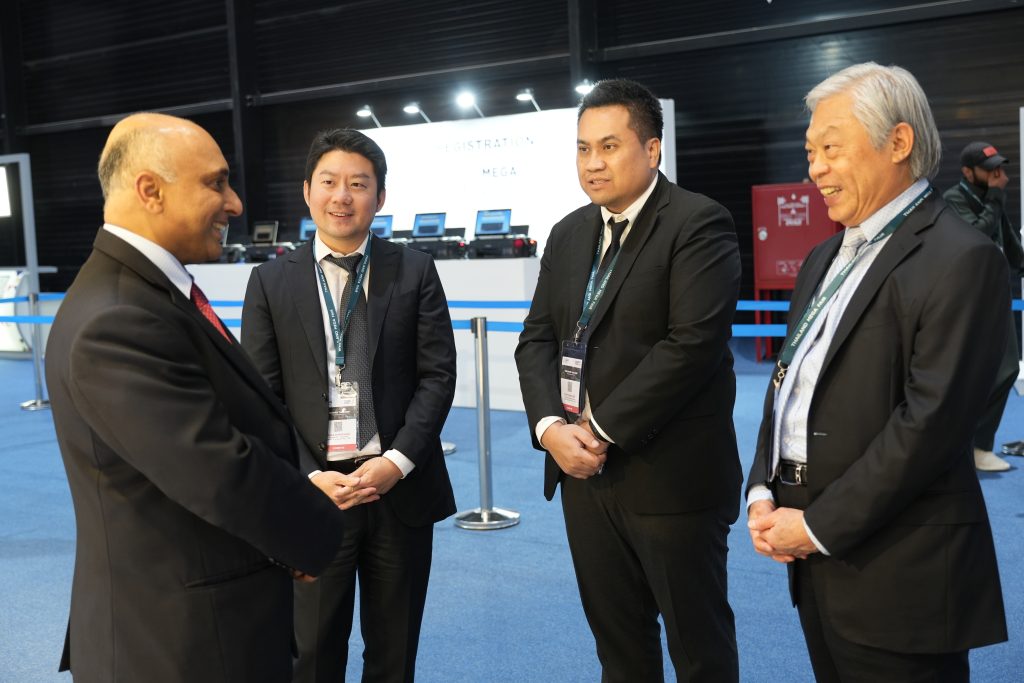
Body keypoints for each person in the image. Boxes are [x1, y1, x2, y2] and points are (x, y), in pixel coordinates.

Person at [45, 113, 347, 682]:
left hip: (202, 623)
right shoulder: (117, 319)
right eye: (216, 183)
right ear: (150, 191)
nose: (235, 204)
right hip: (179, 644)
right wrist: (313, 530)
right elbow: (217, 469)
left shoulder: (144, 294)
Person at [746, 63, 1008, 682]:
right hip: (811, 553)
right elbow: (790, 382)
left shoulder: (961, 257)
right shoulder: (823, 257)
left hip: (901, 568)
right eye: (810, 152)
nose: (815, 169)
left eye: (831, 148)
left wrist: (816, 526)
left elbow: (931, 424)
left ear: (898, 142)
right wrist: (762, 488)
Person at [515, 79, 741, 683]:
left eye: (609, 146)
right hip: (583, 476)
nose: (593, 163)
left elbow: (691, 346)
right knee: (619, 649)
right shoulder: (568, 233)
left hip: (670, 477)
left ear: (652, 148)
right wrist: (550, 429)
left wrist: (598, 429)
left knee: (699, 651)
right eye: (583, 148)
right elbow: (536, 339)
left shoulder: (697, 222)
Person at [241, 128, 457, 683]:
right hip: (314, 494)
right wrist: (308, 475)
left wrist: (396, 462)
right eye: (330, 182)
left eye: (358, 185)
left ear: (379, 197)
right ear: (307, 191)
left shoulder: (414, 270)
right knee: (312, 655)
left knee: (394, 654)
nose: (342, 196)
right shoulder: (269, 281)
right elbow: (262, 396)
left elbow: (437, 377)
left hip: (398, 491)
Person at [943, 142, 1023, 469]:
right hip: (969, 299)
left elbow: (1010, 247)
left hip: (996, 295)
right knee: (975, 373)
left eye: (999, 167)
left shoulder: (992, 198)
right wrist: (996, 198)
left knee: (1005, 369)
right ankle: (971, 446)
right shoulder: (953, 200)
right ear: (967, 171)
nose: (997, 175)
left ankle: (976, 445)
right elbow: (976, 239)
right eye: (989, 169)